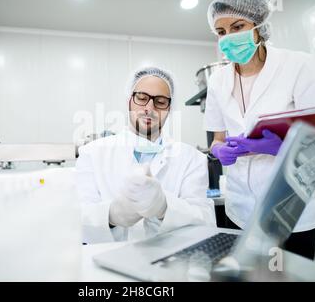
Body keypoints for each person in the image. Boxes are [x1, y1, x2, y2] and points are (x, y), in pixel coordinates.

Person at [204, 0, 315, 259]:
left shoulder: (298, 65)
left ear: (259, 26)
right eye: (221, 32)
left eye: (238, 26)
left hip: (291, 210)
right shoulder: (217, 81)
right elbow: (216, 140)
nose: (229, 37)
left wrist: (279, 146)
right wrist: (220, 151)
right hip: (239, 211)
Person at [76, 67, 216, 243]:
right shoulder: (92, 153)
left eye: (160, 101)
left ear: (169, 108)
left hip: (169, 263)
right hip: (104, 262)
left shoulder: (191, 158)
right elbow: (75, 220)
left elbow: (207, 223)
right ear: (129, 102)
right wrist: (112, 215)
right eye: (141, 98)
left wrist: (165, 207)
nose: (149, 108)